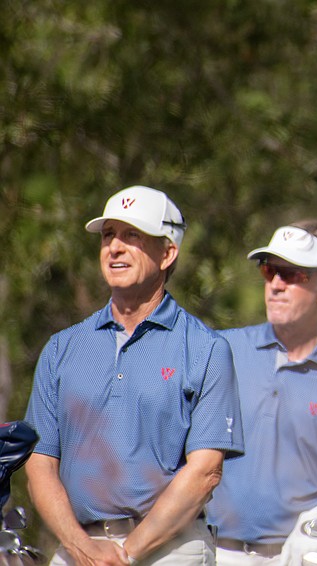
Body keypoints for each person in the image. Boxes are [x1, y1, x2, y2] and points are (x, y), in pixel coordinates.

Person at [24, 185, 245, 566]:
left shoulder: (206, 348)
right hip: (78, 547)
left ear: (168, 253)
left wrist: (127, 554)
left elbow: (206, 471)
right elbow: (40, 463)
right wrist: (81, 547)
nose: (115, 247)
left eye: (133, 236)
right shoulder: (62, 348)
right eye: (109, 235)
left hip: (170, 549)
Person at [204, 220, 317, 565]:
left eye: (292, 274)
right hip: (211, 552)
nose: (276, 285)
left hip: (294, 556)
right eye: (269, 271)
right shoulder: (222, 349)